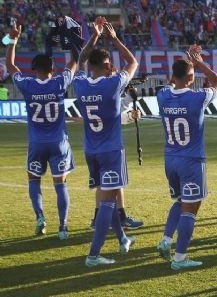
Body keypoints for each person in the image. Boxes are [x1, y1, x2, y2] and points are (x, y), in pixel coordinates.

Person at [73, 20, 138, 267]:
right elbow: (133, 63)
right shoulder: (113, 84)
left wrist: (94, 37)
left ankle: (122, 239)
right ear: (108, 65)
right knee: (107, 203)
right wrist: (114, 39)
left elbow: (80, 61)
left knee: (106, 199)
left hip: (91, 150)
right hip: (111, 151)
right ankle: (93, 255)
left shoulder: (79, 84)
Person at [155, 46, 217, 270]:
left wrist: (189, 64)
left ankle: (166, 240)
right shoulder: (197, 98)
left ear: (172, 77)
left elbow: (175, 80)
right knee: (190, 209)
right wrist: (199, 62)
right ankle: (179, 258)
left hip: (170, 159)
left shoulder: (162, 95)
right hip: (192, 161)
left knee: (179, 201)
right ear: (192, 78)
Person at [5, 22, 77, 239]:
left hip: (36, 143)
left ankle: (40, 218)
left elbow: (10, 66)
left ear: (34, 69)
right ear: (52, 70)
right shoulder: (59, 83)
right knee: (60, 184)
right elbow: (75, 62)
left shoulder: (27, 84)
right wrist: (72, 40)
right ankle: (63, 227)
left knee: (33, 180)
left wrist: (13, 40)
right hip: (59, 142)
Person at [89, 87, 145, 232]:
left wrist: (131, 117)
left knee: (102, 183)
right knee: (116, 181)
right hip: (110, 146)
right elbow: (115, 111)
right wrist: (128, 99)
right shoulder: (106, 96)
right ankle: (121, 218)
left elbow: (113, 118)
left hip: (94, 146)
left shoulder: (92, 94)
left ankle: (97, 218)